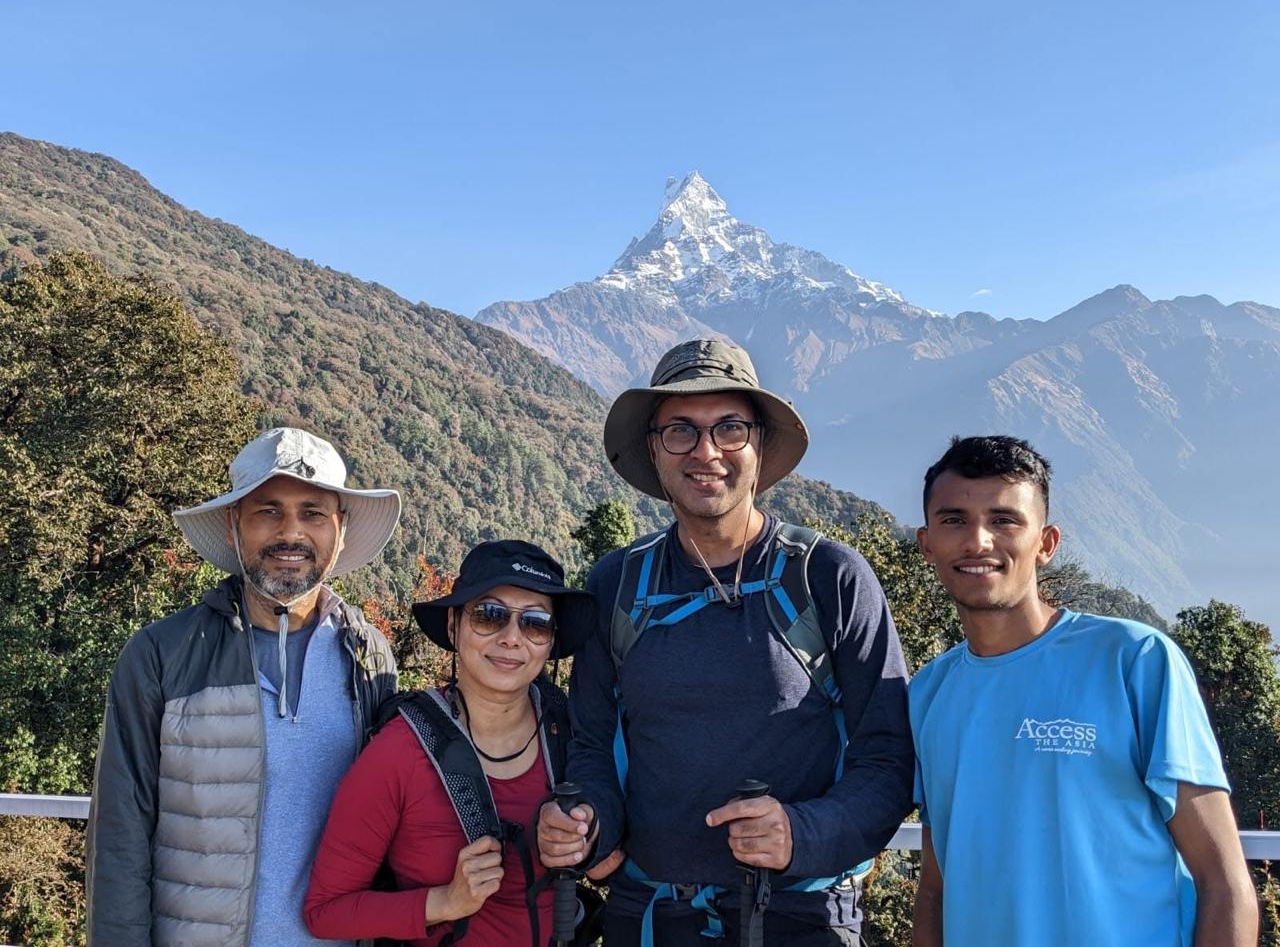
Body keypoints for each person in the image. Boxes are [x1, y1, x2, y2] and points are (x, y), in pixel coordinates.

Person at [538, 339, 915, 946]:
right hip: (651, 917)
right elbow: (592, 745)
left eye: (730, 428)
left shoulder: (829, 577)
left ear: (759, 445)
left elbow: (888, 757)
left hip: (800, 921)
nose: (706, 451)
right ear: (654, 449)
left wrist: (801, 831)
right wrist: (587, 822)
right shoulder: (617, 583)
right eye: (680, 430)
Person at [909, 435, 1258, 947]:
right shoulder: (928, 692)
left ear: (1046, 543)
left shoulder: (1134, 660)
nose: (978, 541)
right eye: (954, 520)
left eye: (1004, 520)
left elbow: (1223, 880)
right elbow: (936, 890)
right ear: (926, 543)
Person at [85, 427, 402, 947]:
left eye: (313, 513)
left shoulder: (368, 658)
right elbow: (120, 834)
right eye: (268, 511)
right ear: (234, 526)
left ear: (340, 530)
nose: (290, 533)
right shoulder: (163, 655)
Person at [303, 540, 602, 946]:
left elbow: (619, 853)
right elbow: (325, 911)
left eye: (535, 623)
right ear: (453, 625)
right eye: (489, 615)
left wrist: (588, 836)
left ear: (550, 641)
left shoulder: (569, 734)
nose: (512, 638)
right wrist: (444, 902)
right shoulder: (398, 753)